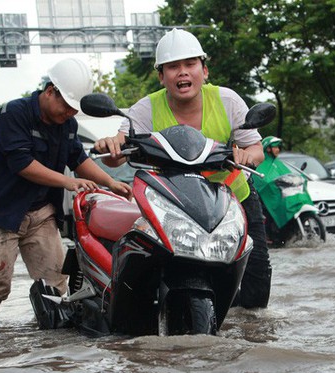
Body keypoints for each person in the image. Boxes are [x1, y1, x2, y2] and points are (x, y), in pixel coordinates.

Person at [95, 28, 272, 309]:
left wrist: (247, 157)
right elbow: (117, 153)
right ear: (161, 76)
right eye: (173, 67)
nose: (182, 73)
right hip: (173, 205)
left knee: (257, 286)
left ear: (204, 71)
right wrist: (111, 146)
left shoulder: (228, 101)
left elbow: (256, 149)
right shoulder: (144, 110)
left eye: (190, 65)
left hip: (233, 200)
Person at [0, 58, 132, 325]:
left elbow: (78, 160)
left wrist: (110, 183)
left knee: (57, 283)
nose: (69, 113)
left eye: (75, 109)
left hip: (40, 213)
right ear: (50, 91)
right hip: (0, 215)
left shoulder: (68, 126)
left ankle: (55, 343)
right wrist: (67, 182)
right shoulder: (12, 115)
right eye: (66, 105)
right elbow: (23, 164)